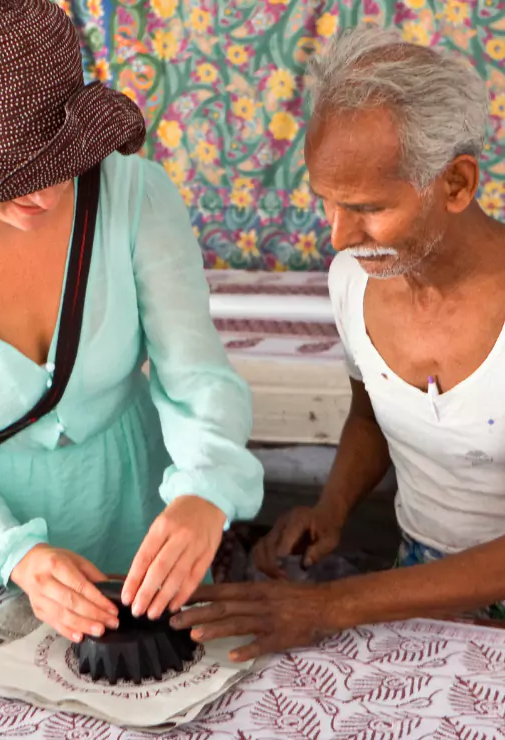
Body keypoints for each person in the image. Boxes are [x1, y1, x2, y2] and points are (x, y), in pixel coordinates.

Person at [0, 0, 263, 644]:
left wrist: (205, 492)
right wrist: (20, 559)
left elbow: (198, 376)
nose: (42, 194)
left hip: (149, 513)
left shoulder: (136, 195)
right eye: (3, 177)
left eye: (57, 162)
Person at [172, 26, 505, 662]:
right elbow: (370, 414)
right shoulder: (353, 280)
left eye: (367, 207)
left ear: (457, 184)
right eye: (327, 203)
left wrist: (331, 606)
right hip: (410, 581)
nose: (338, 237)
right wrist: (330, 509)